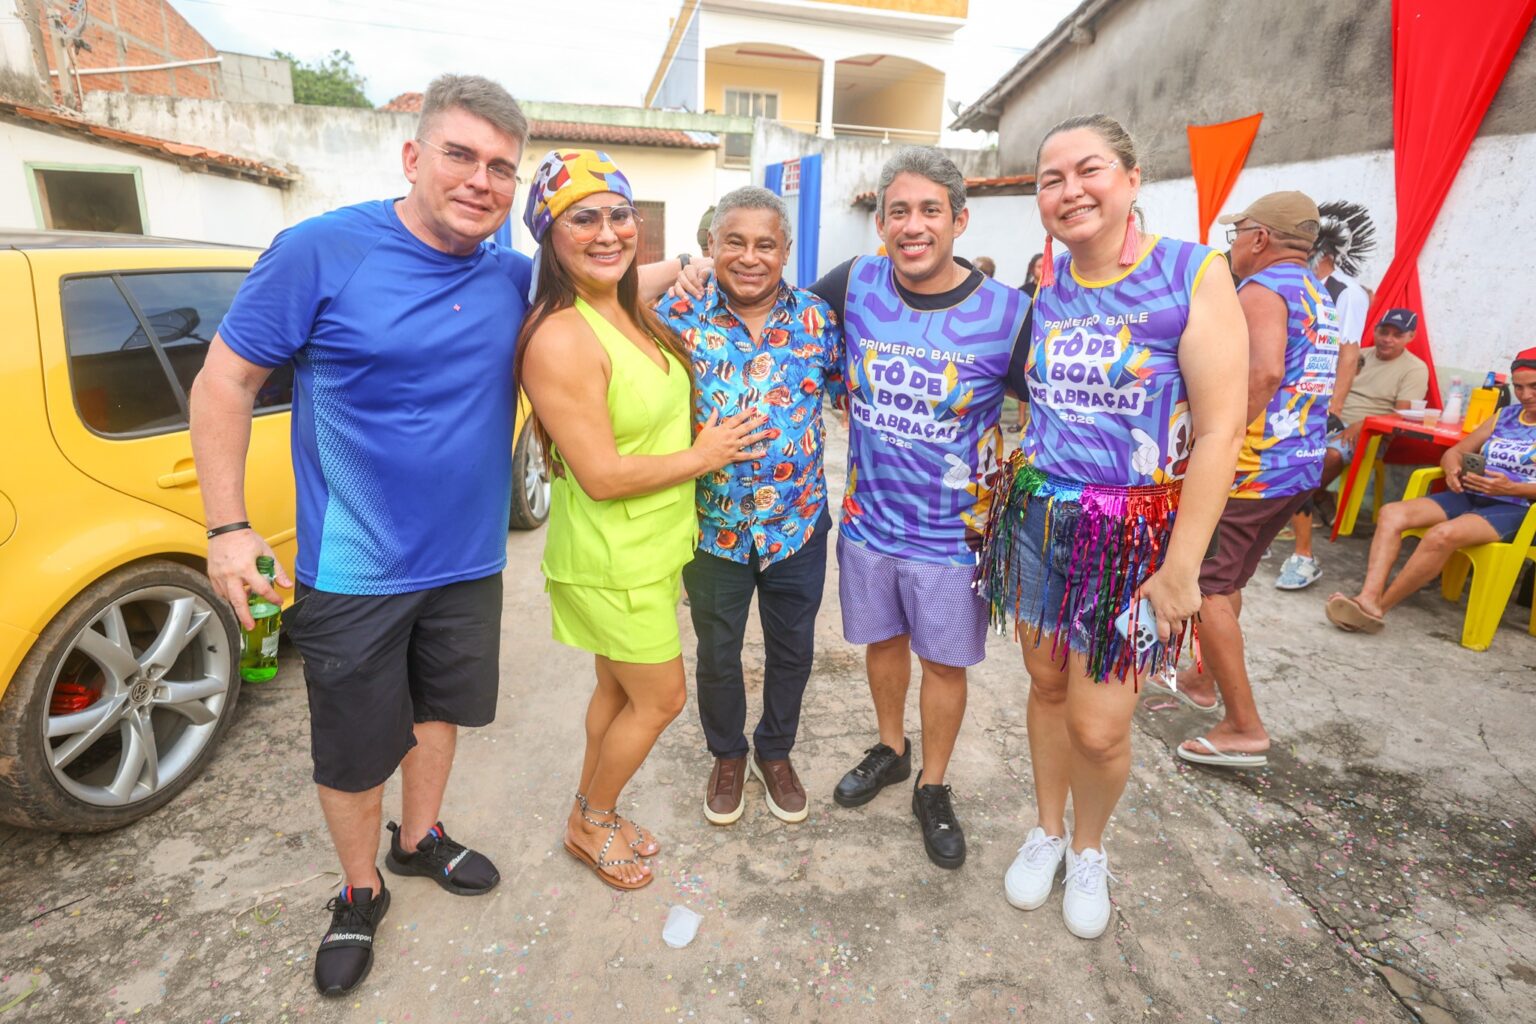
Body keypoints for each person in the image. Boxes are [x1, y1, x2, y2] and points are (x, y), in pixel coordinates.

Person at [190, 75, 528, 998]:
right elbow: (224, 383)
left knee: (438, 712)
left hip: (469, 559)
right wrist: (227, 527)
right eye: (460, 154)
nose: (481, 180)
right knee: (349, 743)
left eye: (501, 166)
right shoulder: (321, 251)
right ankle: (357, 886)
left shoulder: (509, 273)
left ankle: (418, 841)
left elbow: (609, 279)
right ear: (414, 156)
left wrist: (688, 268)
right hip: (354, 562)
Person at [978, 114, 1246, 938]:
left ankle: (1089, 847)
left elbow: (1220, 430)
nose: (1068, 190)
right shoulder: (1047, 290)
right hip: (1041, 516)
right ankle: (1047, 831)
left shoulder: (1192, 272)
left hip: (1134, 536)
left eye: (1087, 170)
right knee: (1048, 687)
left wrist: (1183, 568)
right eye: (1049, 180)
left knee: (1099, 725)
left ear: (1131, 177)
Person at [515, 150, 769, 891]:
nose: (606, 232)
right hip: (609, 557)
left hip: (650, 550)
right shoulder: (563, 335)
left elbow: (662, 272)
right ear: (550, 235)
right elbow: (598, 475)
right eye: (581, 218)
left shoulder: (622, 307)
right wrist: (707, 453)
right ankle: (591, 820)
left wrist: (700, 261)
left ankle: (591, 808)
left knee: (616, 693)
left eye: (619, 215)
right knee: (660, 699)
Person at [657, 186, 845, 827]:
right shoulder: (675, 316)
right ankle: (728, 753)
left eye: (766, 244)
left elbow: (852, 397)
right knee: (718, 652)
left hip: (797, 525)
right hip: (713, 530)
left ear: (786, 251)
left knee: (792, 649)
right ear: (711, 245)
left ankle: (776, 750)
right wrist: (673, 270)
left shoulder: (820, 320)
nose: (749, 256)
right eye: (733, 241)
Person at [1164, 192, 1340, 770]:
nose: (1233, 243)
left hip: (1252, 471)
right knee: (1231, 578)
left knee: (1206, 585)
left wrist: (1216, 441)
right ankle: (1201, 678)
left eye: (1238, 231)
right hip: (1297, 466)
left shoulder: (1264, 289)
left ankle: (1244, 725)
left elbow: (1263, 372)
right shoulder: (1317, 289)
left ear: (1260, 237)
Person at [1326, 349, 1536, 633]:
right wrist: (1452, 469)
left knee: (1442, 534)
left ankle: (1379, 607)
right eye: (1519, 386)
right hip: (1471, 493)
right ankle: (1368, 598)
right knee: (1391, 514)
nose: (1524, 394)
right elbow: (1456, 452)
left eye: (1533, 386)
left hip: (1518, 508)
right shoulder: (1506, 416)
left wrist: (1513, 487)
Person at [1278, 308, 1428, 588]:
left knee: (1330, 454)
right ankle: (1304, 500)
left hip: (1370, 432)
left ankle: (1293, 504)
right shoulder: (1358, 355)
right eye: (1384, 331)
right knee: (1285, 442)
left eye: (1397, 335)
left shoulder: (1414, 368)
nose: (1388, 339)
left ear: (1410, 337)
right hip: (1332, 418)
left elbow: (1404, 415)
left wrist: (1363, 424)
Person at [1275, 200, 1382, 588]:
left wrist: (1333, 409)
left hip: (1312, 402)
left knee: (1300, 474)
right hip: (1278, 394)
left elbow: (1348, 351)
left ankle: (1304, 556)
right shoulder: (1287, 283)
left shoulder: (1347, 292)